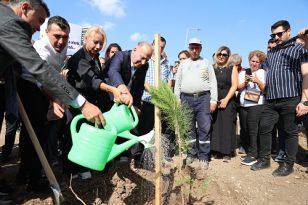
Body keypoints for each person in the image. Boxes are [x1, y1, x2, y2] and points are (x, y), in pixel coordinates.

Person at [0, 0, 105, 125]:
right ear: (24, 8)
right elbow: (40, 68)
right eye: (39, 20)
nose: (39, 28)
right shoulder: (12, 24)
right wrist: (82, 103)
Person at [250, 20, 308, 177]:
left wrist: (304, 101)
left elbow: (306, 75)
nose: (276, 37)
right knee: (264, 128)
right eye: (273, 34)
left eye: (279, 34)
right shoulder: (272, 52)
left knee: (290, 132)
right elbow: (264, 70)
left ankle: (287, 165)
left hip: (290, 98)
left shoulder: (299, 49)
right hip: (271, 99)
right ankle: (264, 160)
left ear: (289, 31)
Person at [64, 26, 122, 179]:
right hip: (77, 102)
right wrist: (113, 90)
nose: (98, 47)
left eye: (101, 44)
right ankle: (72, 171)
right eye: (95, 42)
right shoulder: (79, 58)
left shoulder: (94, 57)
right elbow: (92, 80)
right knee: (74, 135)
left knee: (88, 135)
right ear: (86, 39)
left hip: (91, 101)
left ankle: (84, 166)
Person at [174, 37, 218, 170]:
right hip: (186, 99)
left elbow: (213, 82)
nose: (194, 50)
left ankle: (204, 157)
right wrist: (177, 100)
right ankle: (191, 154)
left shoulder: (206, 63)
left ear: (200, 49)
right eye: (192, 48)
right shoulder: (183, 64)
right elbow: (178, 83)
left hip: (203, 98)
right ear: (189, 49)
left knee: (204, 128)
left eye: (196, 48)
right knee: (188, 128)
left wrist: (214, 100)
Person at [33, 15, 70, 167]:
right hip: (34, 90)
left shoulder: (63, 46)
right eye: (57, 36)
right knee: (36, 133)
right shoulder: (41, 50)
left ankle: (50, 159)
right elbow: (40, 80)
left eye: (65, 37)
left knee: (54, 128)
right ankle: (30, 172)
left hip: (54, 91)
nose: (61, 42)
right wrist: (54, 99)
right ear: (47, 32)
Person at [133, 36, 173, 160]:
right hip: (147, 100)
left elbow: (169, 80)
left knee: (161, 129)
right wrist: (154, 92)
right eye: (158, 46)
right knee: (145, 129)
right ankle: (141, 156)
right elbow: (142, 80)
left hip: (161, 102)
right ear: (153, 45)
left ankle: (160, 155)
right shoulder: (146, 60)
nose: (160, 49)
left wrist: (165, 94)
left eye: (163, 47)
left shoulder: (166, 63)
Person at [238, 50, 266, 166]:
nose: (254, 63)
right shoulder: (243, 72)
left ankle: (254, 154)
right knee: (245, 128)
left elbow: (265, 89)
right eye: (252, 61)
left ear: (260, 63)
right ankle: (250, 151)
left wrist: (257, 81)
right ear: (249, 60)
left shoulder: (263, 72)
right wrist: (245, 82)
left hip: (256, 105)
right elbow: (238, 87)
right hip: (244, 104)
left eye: (257, 62)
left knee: (253, 129)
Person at [210, 46, 238, 162]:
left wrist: (226, 99)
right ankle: (216, 150)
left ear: (228, 56)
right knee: (215, 125)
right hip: (214, 99)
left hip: (228, 99)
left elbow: (234, 85)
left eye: (224, 54)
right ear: (216, 55)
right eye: (220, 54)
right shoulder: (211, 68)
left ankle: (227, 152)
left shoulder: (232, 68)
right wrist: (212, 100)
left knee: (227, 125)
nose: (222, 56)